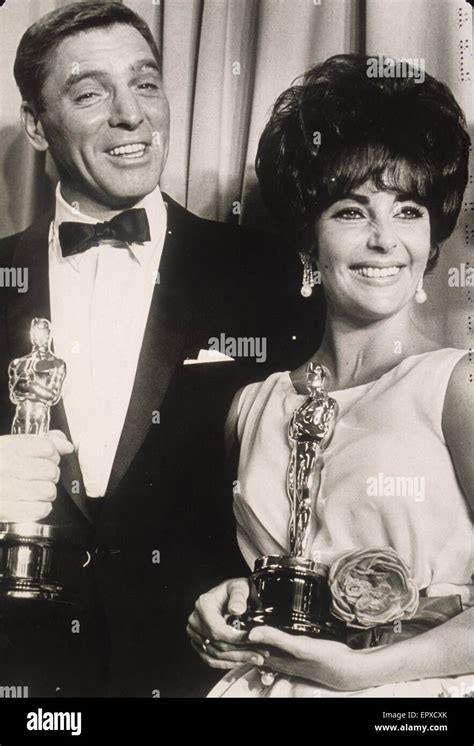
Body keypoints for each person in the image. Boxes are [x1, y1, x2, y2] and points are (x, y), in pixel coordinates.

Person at [0, 1, 323, 697]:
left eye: (146, 83)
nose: (131, 114)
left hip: (204, 676)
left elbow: (322, 472)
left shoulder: (263, 272)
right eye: (91, 93)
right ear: (35, 124)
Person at [187, 54, 474, 698]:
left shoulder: (458, 386)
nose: (383, 239)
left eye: (408, 210)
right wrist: (226, 608)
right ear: (307, 241)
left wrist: (365, 671)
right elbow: (284, 573)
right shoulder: (252, 406)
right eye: (351, 211)